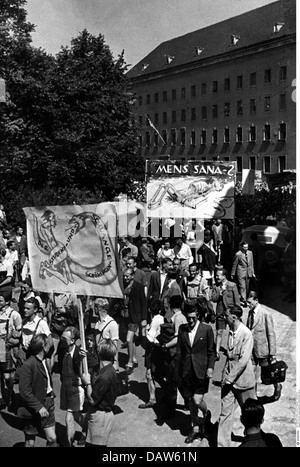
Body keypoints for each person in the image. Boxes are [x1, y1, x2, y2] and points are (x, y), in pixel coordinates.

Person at [175, 299, 215, 443]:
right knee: (190, 401)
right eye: (188, 318)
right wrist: (177, 371)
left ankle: (206, 413)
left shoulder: (207, 329)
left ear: (198, 315)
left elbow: (211, 352)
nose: (191, 321)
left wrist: (210, 367)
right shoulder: (182, 329)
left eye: (193, 318)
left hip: (201, 370)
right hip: (186, 371)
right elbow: (179, 351)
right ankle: (196, 428)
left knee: (197, 400)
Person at [217, 305, 256, 448]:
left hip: (243, 380)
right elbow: (229, 357)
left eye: (226, 315)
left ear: (234, 317)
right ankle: (222, 445)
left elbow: (243, 360)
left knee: (251, 415)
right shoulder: (230, 331)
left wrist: (229, 378)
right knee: (225, 414)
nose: (224, 318)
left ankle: (256, 441)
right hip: (228, 380)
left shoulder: (246, 334)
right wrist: (224, 377)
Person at [18, 333, 58, 447]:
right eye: (48, 345)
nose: (51, 347)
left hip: (48, 402)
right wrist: (38, 407)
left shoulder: (45, 361)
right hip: (33, 408)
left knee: (52, 438)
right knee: (30, 442)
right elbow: (24, 391)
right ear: (44, 347)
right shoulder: (29, 364)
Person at [81, 339, 119, 448]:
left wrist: (88, 383)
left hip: (101, 417)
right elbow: (83, 371)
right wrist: (83, 357)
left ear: (99, 352)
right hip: (96, 415)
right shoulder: (101, 368)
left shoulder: (106, 376)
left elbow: (92, 400)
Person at [246, 290, 281, 401]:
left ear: (256, 300)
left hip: (263, 350)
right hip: (252, 349)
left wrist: (272, 353)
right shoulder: (250, 313)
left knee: (269, 374)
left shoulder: (265, 314)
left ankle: (278, 386)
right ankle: (253, 397)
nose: (248, 305)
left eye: (250, 302)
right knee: (252, 374)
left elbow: (271, 334)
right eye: (247, 303)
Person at [57, 326, 86, 447]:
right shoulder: (62, 350)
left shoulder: (80, 353)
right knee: (76, 415)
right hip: (65, 387)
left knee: (69, 416)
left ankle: (68, 444)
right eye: (62, 337)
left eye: (65, 338)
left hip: (76, 388)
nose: (62, 340)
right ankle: (87, 429)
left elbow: (92, 367)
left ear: (73, 340)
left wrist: (82, 379)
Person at [138, 299, 165, 409]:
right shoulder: (161, 318)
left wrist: (144, 330)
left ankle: (153, 398)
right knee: (156, 374)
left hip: (153, 349)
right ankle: (159, 395)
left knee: (150, 374)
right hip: (159, 349)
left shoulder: (155, 320)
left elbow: (149, 337)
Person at [211, 267, 240, 361]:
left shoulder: (232, 285)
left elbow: (237, 301)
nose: (217, 277)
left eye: (218, 275)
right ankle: (217, 352)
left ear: (224, 276)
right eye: (216, 275)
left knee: (232, 331)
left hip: (231, 313)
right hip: (220, 312)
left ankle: (230, 350)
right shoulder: (216, 286)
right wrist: (220, 292)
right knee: (219, 332)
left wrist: (237, 313)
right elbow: (214, 299)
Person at [123, 268, 147, 375]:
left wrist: (144, 318)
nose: (125, 278)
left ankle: (129, 363)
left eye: (127, 276)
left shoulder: (139, 286)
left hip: (135, 316)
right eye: (124, 276)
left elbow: (143, 302)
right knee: (131, 340)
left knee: (128, 339)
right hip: (125, 316)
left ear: (132, 276)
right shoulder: (123, 285)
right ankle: (134, 359)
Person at [0, 292, 22, 410]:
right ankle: (3, 399)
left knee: (7, 376)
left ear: (7, 302)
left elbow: (19, 333)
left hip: (7, 348)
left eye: (0, 301)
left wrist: (10, 339)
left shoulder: (14, 315)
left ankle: (10, 395)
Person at [18, 297, 53, 370]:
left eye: (28, 309)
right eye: (24, 308)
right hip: (26, 356)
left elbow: (50, 342)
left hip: (36, 357)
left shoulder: (41, 323)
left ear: (35, 310)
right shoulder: (23, 322)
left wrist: (42, 355)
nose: (25, 310)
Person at [47, 292, 78, 371]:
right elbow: (50, 311)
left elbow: (76, 312)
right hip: (56, 326)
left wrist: (65, 310)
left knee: (67, 349)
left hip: (68, 327)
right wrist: (49, 325)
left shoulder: (72, 295)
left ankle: (69, 369)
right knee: (53, 351)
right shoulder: (52, 295)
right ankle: (48, 374)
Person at [92, 297, 119, 372]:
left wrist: (116, 362)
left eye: (95, 307)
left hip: (107, 358)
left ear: (97, 308)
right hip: (98, 357)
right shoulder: (97, 322)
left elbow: (115, 345)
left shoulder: (112, 324)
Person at [231, 241, 255, 306]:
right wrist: (232, 273)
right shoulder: (238, 254)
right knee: (242, 287)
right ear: (242, 247)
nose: (246, 248)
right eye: (244, 247)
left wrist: (253, 272)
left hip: (248, 272)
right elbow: (234, 264)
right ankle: (244, 300)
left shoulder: (250, 253)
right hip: (241, 272)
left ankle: (245, 298)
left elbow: (251, 263)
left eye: (247, 247)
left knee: (247, 287)